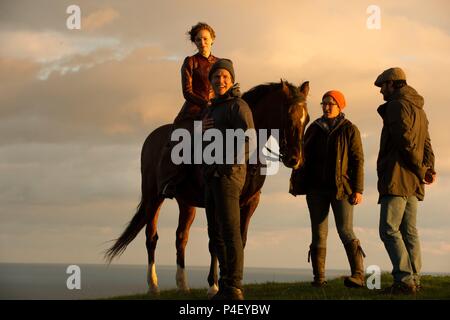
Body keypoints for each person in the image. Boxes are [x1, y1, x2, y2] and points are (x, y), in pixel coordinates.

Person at [290, 90, 366, 288]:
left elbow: (358, 161)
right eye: (324, 103)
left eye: (331, 103)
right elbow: (302, 156)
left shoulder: (350, 129)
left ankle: (358, 275)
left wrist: (358, 190)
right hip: (316, 190)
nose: (326, 107)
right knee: (318, 233)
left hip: (342, 189)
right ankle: (318, 279)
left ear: (340, 106)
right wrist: (297, 181)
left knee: (345, 230)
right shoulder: (314, 128)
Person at [374, 67, 436, 294]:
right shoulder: (420, 110)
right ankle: (414, 279)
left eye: (382, 86)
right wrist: (429, 169)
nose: (381, 91)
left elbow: (405, 142)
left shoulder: (396, 106)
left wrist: (422, 169)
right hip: (414, 179)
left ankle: (404, 279)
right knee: (409, 231)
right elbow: (427, 144)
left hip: (398, 176)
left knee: (388, 229)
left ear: (393, 83)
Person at [204, 59, 254, 300]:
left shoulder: (238, 105)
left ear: (231, 79)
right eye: (216, 76)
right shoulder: (212, 108)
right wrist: (202, 129)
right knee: (216, 232)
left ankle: (234, 286)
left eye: (224, 76)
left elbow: (248, 138)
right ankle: (225, 286)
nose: (220, 80)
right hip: (211, 175)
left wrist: (225, 166)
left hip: (228, 175)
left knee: (231, 230)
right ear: (210, 81)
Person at [158, 22, 219, 198]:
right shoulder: (190, 61)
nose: (202, 42)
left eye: (205, 39)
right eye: (198, 39)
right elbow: (187, 91)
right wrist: (205, 104)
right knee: (185, 140)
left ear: (212, 39)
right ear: (194, 42)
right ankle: (173, 180)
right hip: (193, 111)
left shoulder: (220, 63)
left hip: (216, 109)